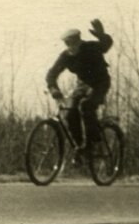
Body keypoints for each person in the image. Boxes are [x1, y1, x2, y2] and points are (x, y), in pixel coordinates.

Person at [45, 19, 113, 161]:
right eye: (68, 44)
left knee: (86, 106)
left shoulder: (90, 48)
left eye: (74, 43)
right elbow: (52, 74)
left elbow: (106, 45)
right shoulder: (66, 56)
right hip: (82, 85)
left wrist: (101, 34)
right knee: (70, 113)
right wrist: (54, 89)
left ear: (79, 40)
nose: (71, 47)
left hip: (100, 83)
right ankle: (80, 146)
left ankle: (93, 143)